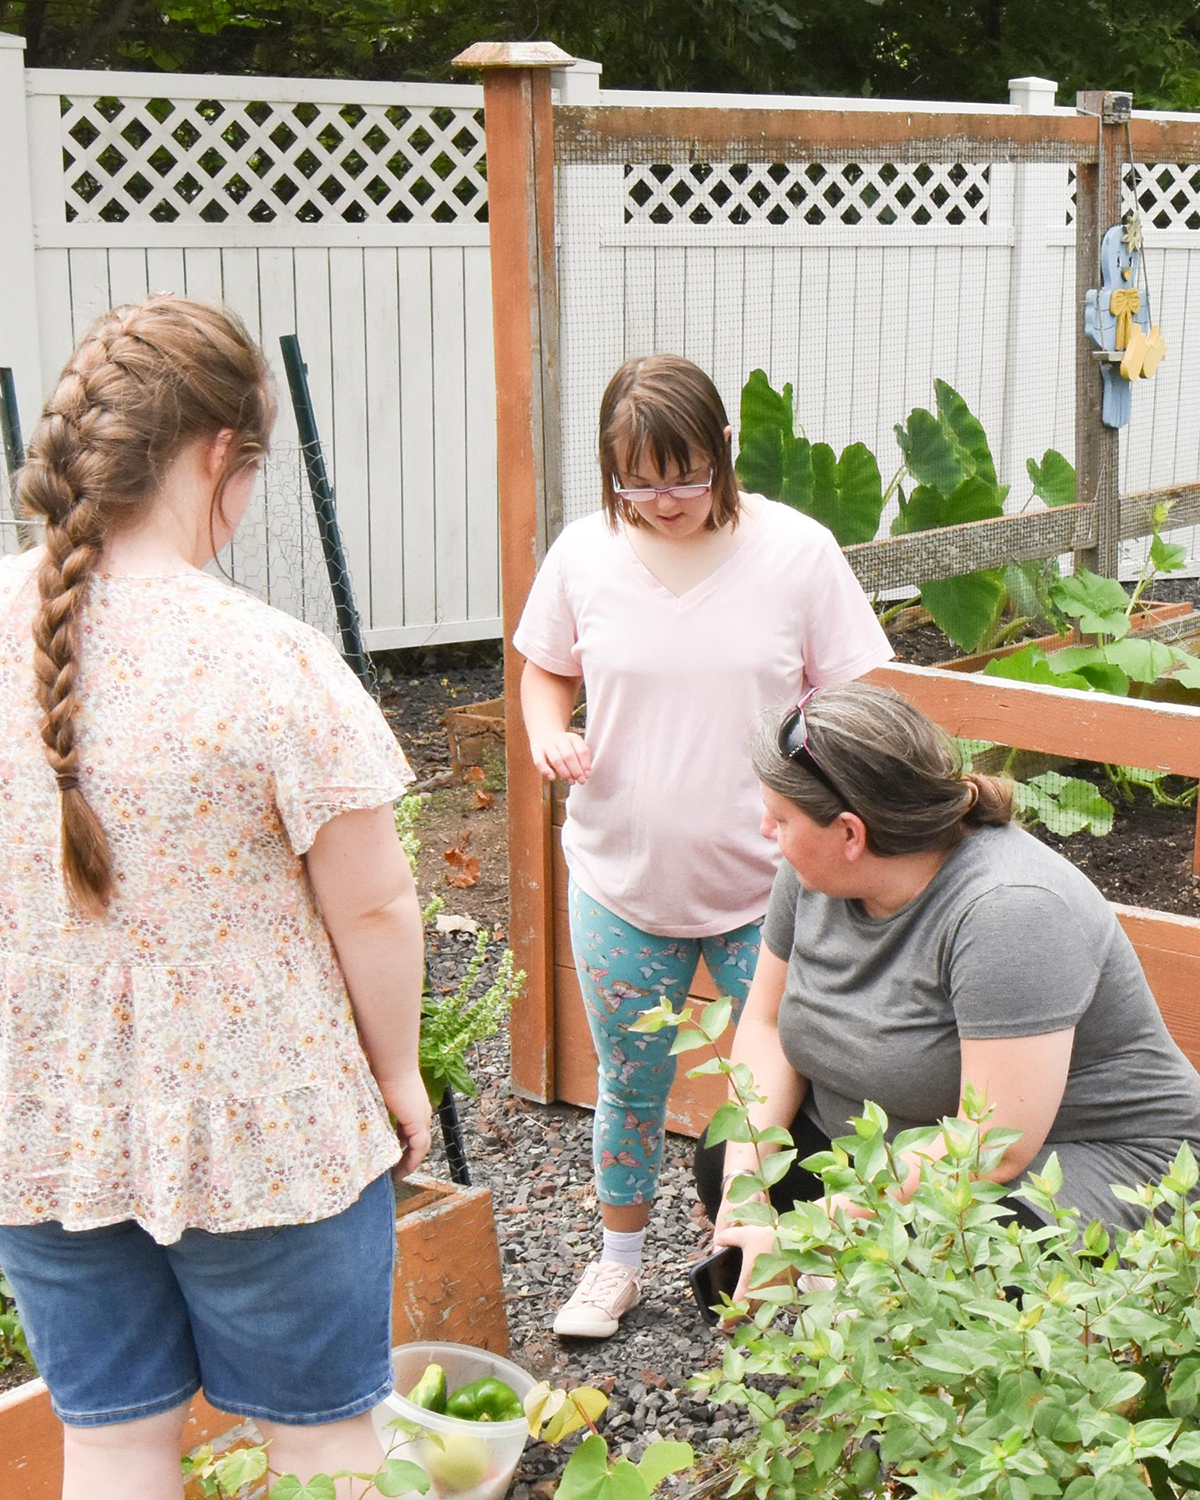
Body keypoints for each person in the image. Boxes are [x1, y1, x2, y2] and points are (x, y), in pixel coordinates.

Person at [0, 296, 430, 1500]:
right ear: (217, 457)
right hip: (267, 1119)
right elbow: (377, 910)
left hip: (44, 1119)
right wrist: (395, 1078)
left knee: (112, 1441)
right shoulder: (270, 658)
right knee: (329, 1441)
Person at [513, 354, 892, 1338]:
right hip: (619, 875)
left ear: (723, 451)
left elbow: (860, 698)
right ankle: (617, 1263)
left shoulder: (798, 554)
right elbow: (543, 669)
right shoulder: (584, 554)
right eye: (635, 479)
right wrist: (548, 733)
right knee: (628, 1083)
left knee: (797, 1077)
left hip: (770, 886)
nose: (661, 500)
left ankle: (773, 1256)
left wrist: (831, 799)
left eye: (682, 475)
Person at [696, 681, 1200, 1304]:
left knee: (984, 1252)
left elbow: (992, 1145)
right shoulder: (812, 872)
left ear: (851, 833)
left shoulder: (1008, 911)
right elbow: (768, 1027)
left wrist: (809, 1229)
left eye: (780, 817)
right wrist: (749, 1185)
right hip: (903, 1126)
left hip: (1093, 1151)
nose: (765, 827)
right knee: (727, 1163)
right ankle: (856, 1312)